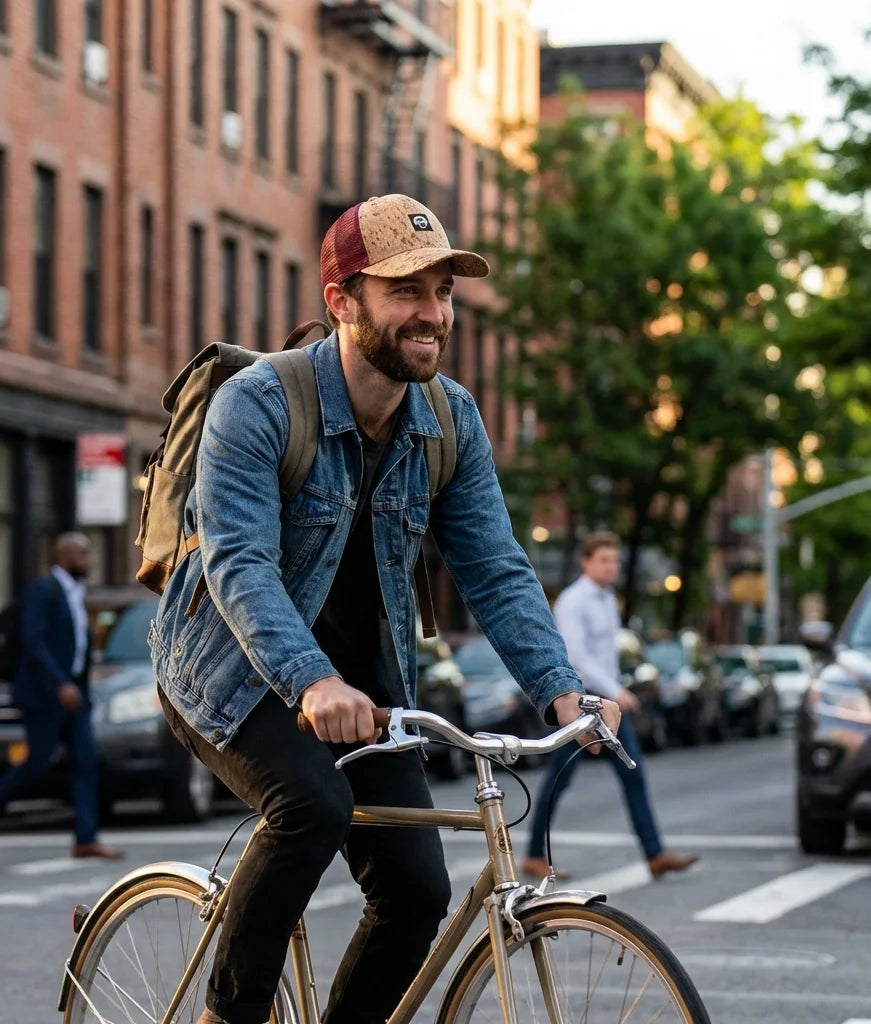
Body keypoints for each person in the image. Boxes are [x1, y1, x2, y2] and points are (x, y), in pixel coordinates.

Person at [150, 193, 621, 1024]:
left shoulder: (451, 420)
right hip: (230, 665)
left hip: (367, 684)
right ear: (342, 301)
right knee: (313, 807)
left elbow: (496, 570)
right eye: (407, 291)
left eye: (443, 292)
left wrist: (561, 688)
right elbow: (241, 564)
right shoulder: (258, 404)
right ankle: (228, 1014)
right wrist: (310, 682)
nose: (433, 313)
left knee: (417, 889)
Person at [522, 531, 698, 882]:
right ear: (586, 562)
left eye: (615, 561)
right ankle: (534, 854)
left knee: (633, 772)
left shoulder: (607, 600)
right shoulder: (574, 601)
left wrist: (615, 691)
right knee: (560, 776)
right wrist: (616, 690)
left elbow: (606, 655)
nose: (611, 567)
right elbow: (576, 656)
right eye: (604, 560)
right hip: (579, 700)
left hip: (607, 702)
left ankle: (655, 854)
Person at [0, 533, 122, 862]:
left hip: (74, 693)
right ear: (65, 556)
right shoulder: (42, 590)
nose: (89, 560)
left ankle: (85, 838)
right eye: (84, 554)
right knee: (37, 763)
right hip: (47, 695)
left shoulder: (75, 593)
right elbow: (34, 642)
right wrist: (60, 684)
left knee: (86, 762)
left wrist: (77, 685)